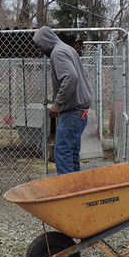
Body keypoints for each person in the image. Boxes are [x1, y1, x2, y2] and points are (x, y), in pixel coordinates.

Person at [33, 26, 93, 175]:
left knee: (62, 150)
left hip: (72, 112)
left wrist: (58, 103)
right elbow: (83, 73)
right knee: (72, 151)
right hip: (81, 111)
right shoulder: (68, 49)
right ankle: (76, 185)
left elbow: (70, 77)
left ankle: (66, 190)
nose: (40, 49)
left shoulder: (57, 52)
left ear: (46, 40)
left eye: (40, 45)